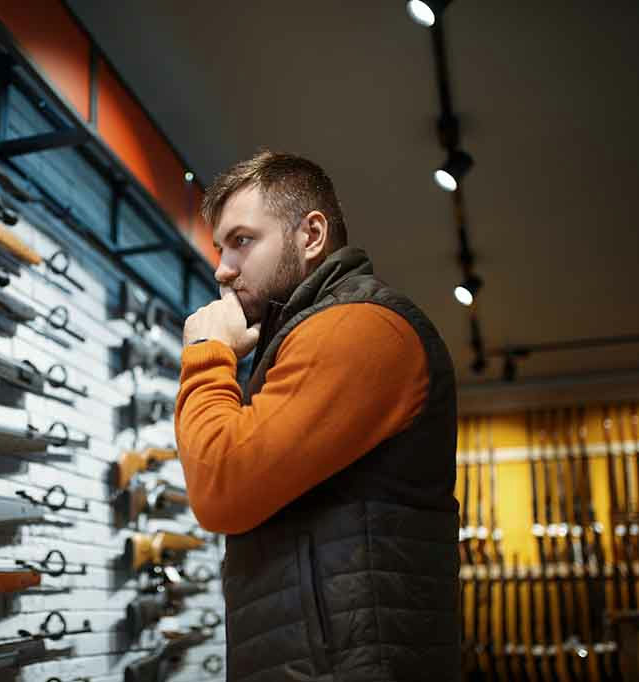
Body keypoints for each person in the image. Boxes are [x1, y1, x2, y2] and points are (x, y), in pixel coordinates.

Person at [175, 151, 460, 682]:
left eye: (242, 240)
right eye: (220, 248)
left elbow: (222, 483)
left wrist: (209, 353)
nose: (221, 268)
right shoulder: (307, 336)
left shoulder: (359, 328)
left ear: (310, 236)